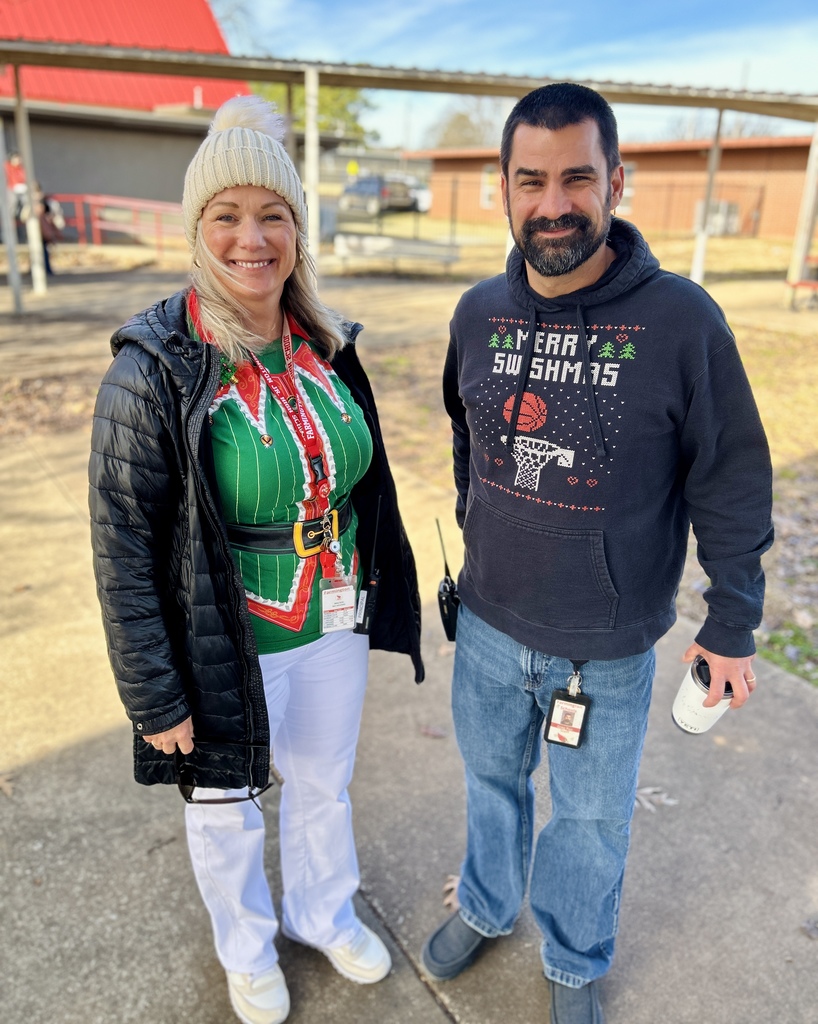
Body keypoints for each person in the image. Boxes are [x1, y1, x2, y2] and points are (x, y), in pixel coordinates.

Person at [421, 83, 773, 1024]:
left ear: (616, 181)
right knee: (492, 785)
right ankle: (490, 905)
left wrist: (731, 620)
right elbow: (470, 436)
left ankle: (575, 961)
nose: (553, 204)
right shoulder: (477, 314)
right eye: (530, 181)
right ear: (503, 186)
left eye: (577, 177)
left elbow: (731, 478)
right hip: (490, 628)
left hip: (606, 654)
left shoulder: (681, 321)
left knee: (586, 822)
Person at [89, 96, 423, 1024]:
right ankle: (245, 945)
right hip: (222, 630)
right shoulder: (153, 365)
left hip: (332, 613)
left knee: (324, 782)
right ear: (198, 230)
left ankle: (321, 911)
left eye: (273, 214)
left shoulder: (325, 342)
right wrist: (154, 696)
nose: (253, 238)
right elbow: (122, 548)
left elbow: (362, 483)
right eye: (227, 216)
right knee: (224, 803)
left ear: (297, 229)